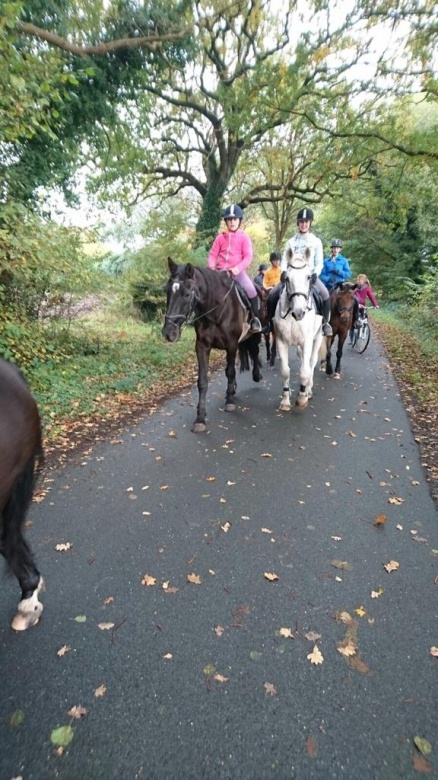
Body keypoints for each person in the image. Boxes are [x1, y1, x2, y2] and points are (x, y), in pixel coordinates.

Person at [207, 204, 262, 331]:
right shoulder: (220, 238)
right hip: (220, 273)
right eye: (229, 219)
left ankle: (255, 319)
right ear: (226, 221)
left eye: (235, 219)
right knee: (204, 289)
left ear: (239, 220)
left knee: (251, 290)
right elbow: (213, 255)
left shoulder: (244, 238)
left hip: (238, 273)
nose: (232, 222)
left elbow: (248, 257)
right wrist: (211, 267)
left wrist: (237, 268)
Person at [279, 207, 332, 336]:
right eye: (301, 222)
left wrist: (315, 274)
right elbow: (284, 259)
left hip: (309, 276)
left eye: (306, 222)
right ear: (298, 223)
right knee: (273, 294)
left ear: (310, 223)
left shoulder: (316, 241)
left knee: (325, 294)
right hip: (292, 276)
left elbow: (319, 262)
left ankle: (325, 324)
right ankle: (270, 323)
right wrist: (283, 271)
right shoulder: (290, 242)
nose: (304, 224)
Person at [349, 273, 379, 344]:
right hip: (355, 305)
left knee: (365, 317)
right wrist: (357, 304)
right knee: (353, 321)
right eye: (358, 280)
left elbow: (371, 296)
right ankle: (351, 338)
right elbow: (352, 296)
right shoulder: (354, 288)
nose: (359, 281)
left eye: (361, 280)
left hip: (362, 306)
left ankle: (363, 330)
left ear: (364, 281)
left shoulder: (367, 288)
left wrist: (375, 305)